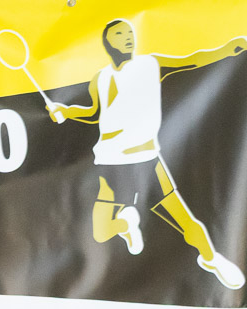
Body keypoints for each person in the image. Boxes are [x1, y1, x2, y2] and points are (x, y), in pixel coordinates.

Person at [46, 18, 246, 289]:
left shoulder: (150, 64)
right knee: (103, 232)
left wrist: (226, 49)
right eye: (120, 34)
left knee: (180, 219)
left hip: (142, 159)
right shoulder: (101, 78)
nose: (128, 37)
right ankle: (128, 225)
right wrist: (66, 111)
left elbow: (192, 60)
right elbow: (94, 113)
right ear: (108, 42)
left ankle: (211, 259)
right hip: (111, 161)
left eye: (129, 32)